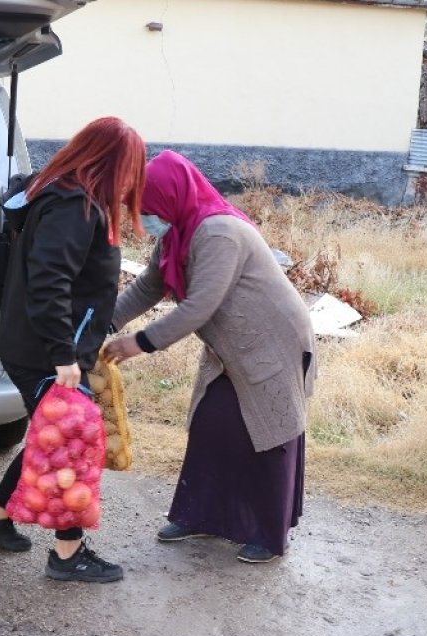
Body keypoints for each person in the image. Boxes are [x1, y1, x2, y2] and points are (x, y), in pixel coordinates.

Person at [103, 150, 316, 563]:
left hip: (272, 339)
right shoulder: (177, 231)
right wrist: (107, 323)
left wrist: (139, 342)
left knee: (269, 432)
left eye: (149, 209)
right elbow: (150, 286)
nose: (146, 218)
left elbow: (200, 305)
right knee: (211, 424)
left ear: (170, 197)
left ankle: (269, 535)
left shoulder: (218, 232)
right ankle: (200, 516)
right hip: (230, 343)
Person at [0, 116, 146, 583]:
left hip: (39, 345)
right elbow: (49, 282)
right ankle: (67, 556)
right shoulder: (74, 206)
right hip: (47, 352)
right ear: (111, 164)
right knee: (65, 446)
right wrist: (64, 354)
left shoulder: (64, 195)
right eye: (130, 169)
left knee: (49, 435)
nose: (131, 182)